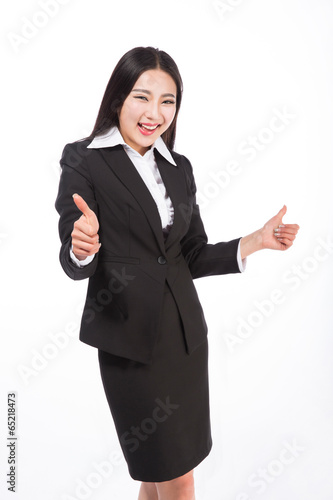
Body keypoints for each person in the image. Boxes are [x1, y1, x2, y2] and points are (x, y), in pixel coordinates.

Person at [55, 46, 299, 500]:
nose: (154, 113)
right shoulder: (84, 159)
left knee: (160, 474)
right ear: (117, 100)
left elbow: (190, 253)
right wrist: (81, 245)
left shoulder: (178, 167)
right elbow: (73, 253)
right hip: (131, 347)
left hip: (185, 342)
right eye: (141, 97)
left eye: (167, 101)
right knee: (177, 477)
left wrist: (255, 241)